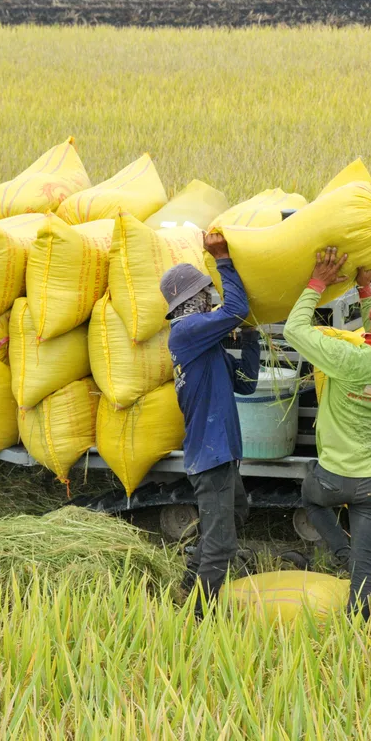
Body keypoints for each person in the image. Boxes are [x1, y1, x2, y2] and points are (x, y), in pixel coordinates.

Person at [283, 247, 371, 619]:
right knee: (365, 570)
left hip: (333, 480)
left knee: (310, 497)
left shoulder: (346, 360)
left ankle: (340, 554)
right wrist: (364, 289)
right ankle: (358, 632)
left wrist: (318, 283)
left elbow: (295, 330)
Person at [160, 232, 261, 615]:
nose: (211, 299)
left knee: (234, 515)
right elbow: (234, 308)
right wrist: (222, 258)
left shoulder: (207, 347)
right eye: (205, 294)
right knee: (222, 544)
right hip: (211, 456)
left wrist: (250, 337)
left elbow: (247, 384)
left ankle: (188, 587)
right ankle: (199, 616)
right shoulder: (184, 334)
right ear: (190, 301)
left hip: (222, 453)